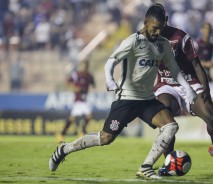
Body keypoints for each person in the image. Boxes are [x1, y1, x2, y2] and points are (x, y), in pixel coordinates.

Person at [49, 4, 196, 180]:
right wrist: (110, 79)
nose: (158, 32)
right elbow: (111, 61)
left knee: (171, 126)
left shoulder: (163, 44)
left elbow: (174, 69)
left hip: (148, 99)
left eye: (161, 28)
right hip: (127, 98)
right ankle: (65, 149)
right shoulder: (132, 41)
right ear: (145, 22)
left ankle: (146, 167)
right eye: (155, 28)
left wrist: (187, 88)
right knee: (105, 138)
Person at [153, 4, 213, 175]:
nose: (157, 29)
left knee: (212, 117)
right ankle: (168, 163)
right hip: (165, 85)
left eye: (161, 23)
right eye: (155, 25)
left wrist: (205, 88)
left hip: (189, 82)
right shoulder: (146, 38)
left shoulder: (180, 37)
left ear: (166, 20)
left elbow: (197, 64)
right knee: (166, 120)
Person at [57, 59, 96, 141]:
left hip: (85, 100)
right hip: (78, 100)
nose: (84, 67)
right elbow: (66, 82)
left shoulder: (89, 75)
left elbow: (93, 85)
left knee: (88, 116)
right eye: (83, 65)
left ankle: (81, 131)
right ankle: (62, 134)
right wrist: (74, 88)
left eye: (86, 65)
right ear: (80, 66)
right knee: (73, 118)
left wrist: (92, 85)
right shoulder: (76, 75)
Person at [195, 21, 213, 119]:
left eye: (209, 29)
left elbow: (208, 60)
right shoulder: (197, 44)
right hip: (196, 78)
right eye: (206, 29)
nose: (208, 31)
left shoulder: (211, 45)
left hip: (207, 78)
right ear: (201, 30)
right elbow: (192, 61)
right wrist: (207, 64)